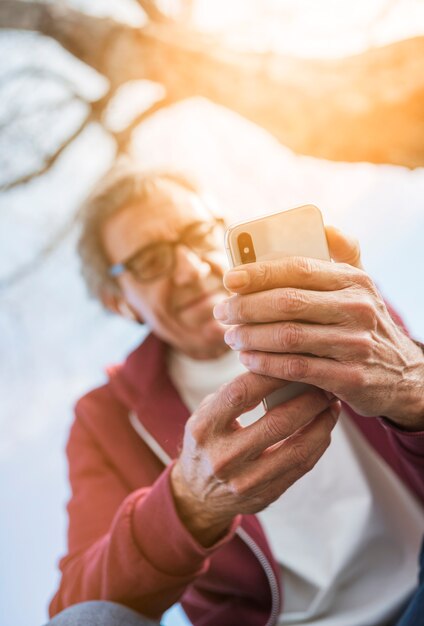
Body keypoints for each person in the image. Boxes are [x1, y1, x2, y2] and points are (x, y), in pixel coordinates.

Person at [46, 164, 424, 626]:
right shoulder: (104, 417)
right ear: (118, 301)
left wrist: (414, 389)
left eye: (197, 232)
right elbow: (78, 604)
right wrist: (189, 503)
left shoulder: (330, 306)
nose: (189, 268)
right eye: (149, 261)